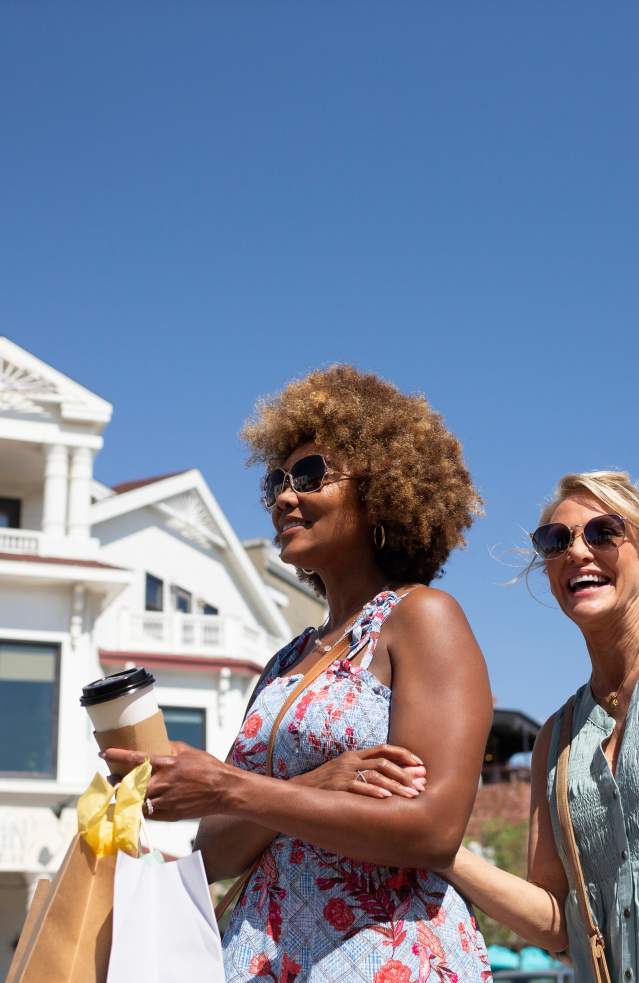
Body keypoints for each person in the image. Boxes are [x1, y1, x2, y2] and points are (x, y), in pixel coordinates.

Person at [105, 365, 493, 983]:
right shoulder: (285, 662)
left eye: (310, 476)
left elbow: (433, 831)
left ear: (383, 491)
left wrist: (231, 788)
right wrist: (312, 782)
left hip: (385, 959)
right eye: (276, 482)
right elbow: (215, 855)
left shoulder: (422, 617)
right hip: (267, 961)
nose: (285, 497)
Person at [438, 470, 639, 983]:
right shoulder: (557, 739)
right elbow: (553, 922)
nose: (577, 552)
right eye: (556, 541)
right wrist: (438, 851)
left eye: (604, 532)